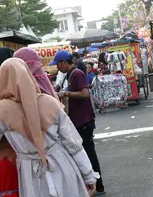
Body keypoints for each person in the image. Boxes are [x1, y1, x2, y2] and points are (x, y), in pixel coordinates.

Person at [0, 58, 99, 197]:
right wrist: (88, 174)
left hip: (31, 174)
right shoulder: (50, 102)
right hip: (62, 165)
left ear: (3, 79)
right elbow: (73, 143)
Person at [49, 50, 105, 195]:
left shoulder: (77, 74)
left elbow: (85, 93)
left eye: (57, 64)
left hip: (84, 120)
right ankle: (93, 184)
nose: (57, 68)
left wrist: (66, 93)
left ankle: (98, 186)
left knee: (88, 153)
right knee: (85, 153)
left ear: (63, 62)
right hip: (79, 120)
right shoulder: (71, 75)